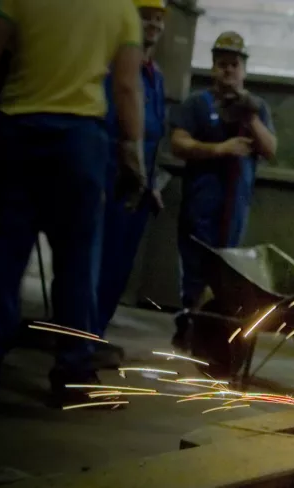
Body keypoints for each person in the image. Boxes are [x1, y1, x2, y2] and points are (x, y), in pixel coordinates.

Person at [0, 0, 147, 408]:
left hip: (19, 129)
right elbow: (126, 86)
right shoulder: (120, 9)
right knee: (77, 265)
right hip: (80, 141)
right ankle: (73, 374)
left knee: (1, 258)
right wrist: (132, 153)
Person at [170, 31, 277, 349]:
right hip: (200, 204)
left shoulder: (256, 108)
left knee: (226, 273)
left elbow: (270, 149)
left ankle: (213, 336)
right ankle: (188, 327)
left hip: (235, 208)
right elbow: (178, 143)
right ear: (213, 67)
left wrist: (250, 117)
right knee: (194, 271)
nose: (228, 70)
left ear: (244, 69)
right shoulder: (197, 104)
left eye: (234, 64)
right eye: (222, 64)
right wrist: (220, 149)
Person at [95, 0, 169, 366]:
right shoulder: (115, 67)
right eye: (145, 17)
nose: (153, 25)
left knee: (119, 267)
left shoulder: (155, 75)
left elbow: (152, 135)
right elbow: (115, 126)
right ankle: (80, 339)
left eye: (158, 19)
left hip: (139, 186)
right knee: (100, 262)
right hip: (114, 179)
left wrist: (151, 183)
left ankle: (95, 335)